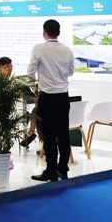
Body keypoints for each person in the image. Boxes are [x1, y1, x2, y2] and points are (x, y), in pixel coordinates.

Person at [27, 20, 74, 182]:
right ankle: (63, 170)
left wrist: (34, 83)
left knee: (48, 136)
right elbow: (70, 72)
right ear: (58, 32)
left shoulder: (39, 48)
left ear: (44, 31)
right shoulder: (67, 49)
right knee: (63, 134)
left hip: (47, 97)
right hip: (63, 97)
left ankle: (51, 170)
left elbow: (30, 72)